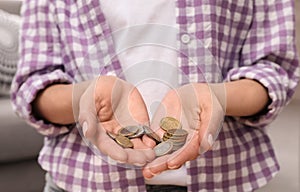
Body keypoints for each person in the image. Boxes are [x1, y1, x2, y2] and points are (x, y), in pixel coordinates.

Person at [11, 0, 299, 191]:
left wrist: (217, 97)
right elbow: (35, 84)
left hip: (223, 177)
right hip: (84, 180)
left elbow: (273, 70)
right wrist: (87, 96)